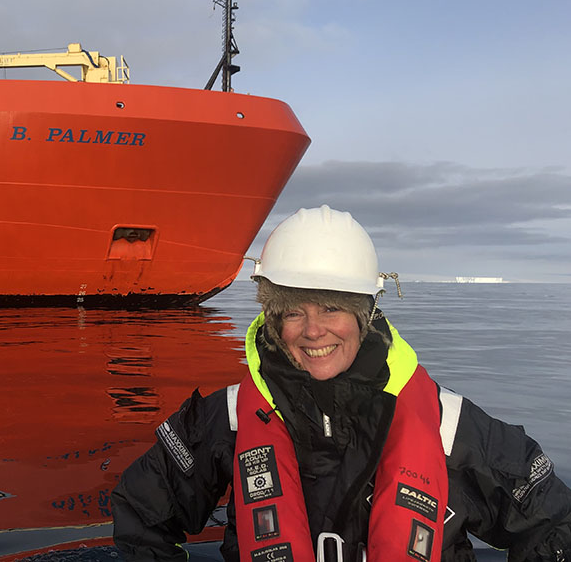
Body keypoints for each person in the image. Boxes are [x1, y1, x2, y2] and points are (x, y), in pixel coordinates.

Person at [111, 205, 571, 561]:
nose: (313, 331)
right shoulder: (227, 420)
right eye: (293, 311)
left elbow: (553, 522)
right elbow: (142, 508)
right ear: (272, 319)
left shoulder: (449, 428)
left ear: (364, 314)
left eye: (330, 308)